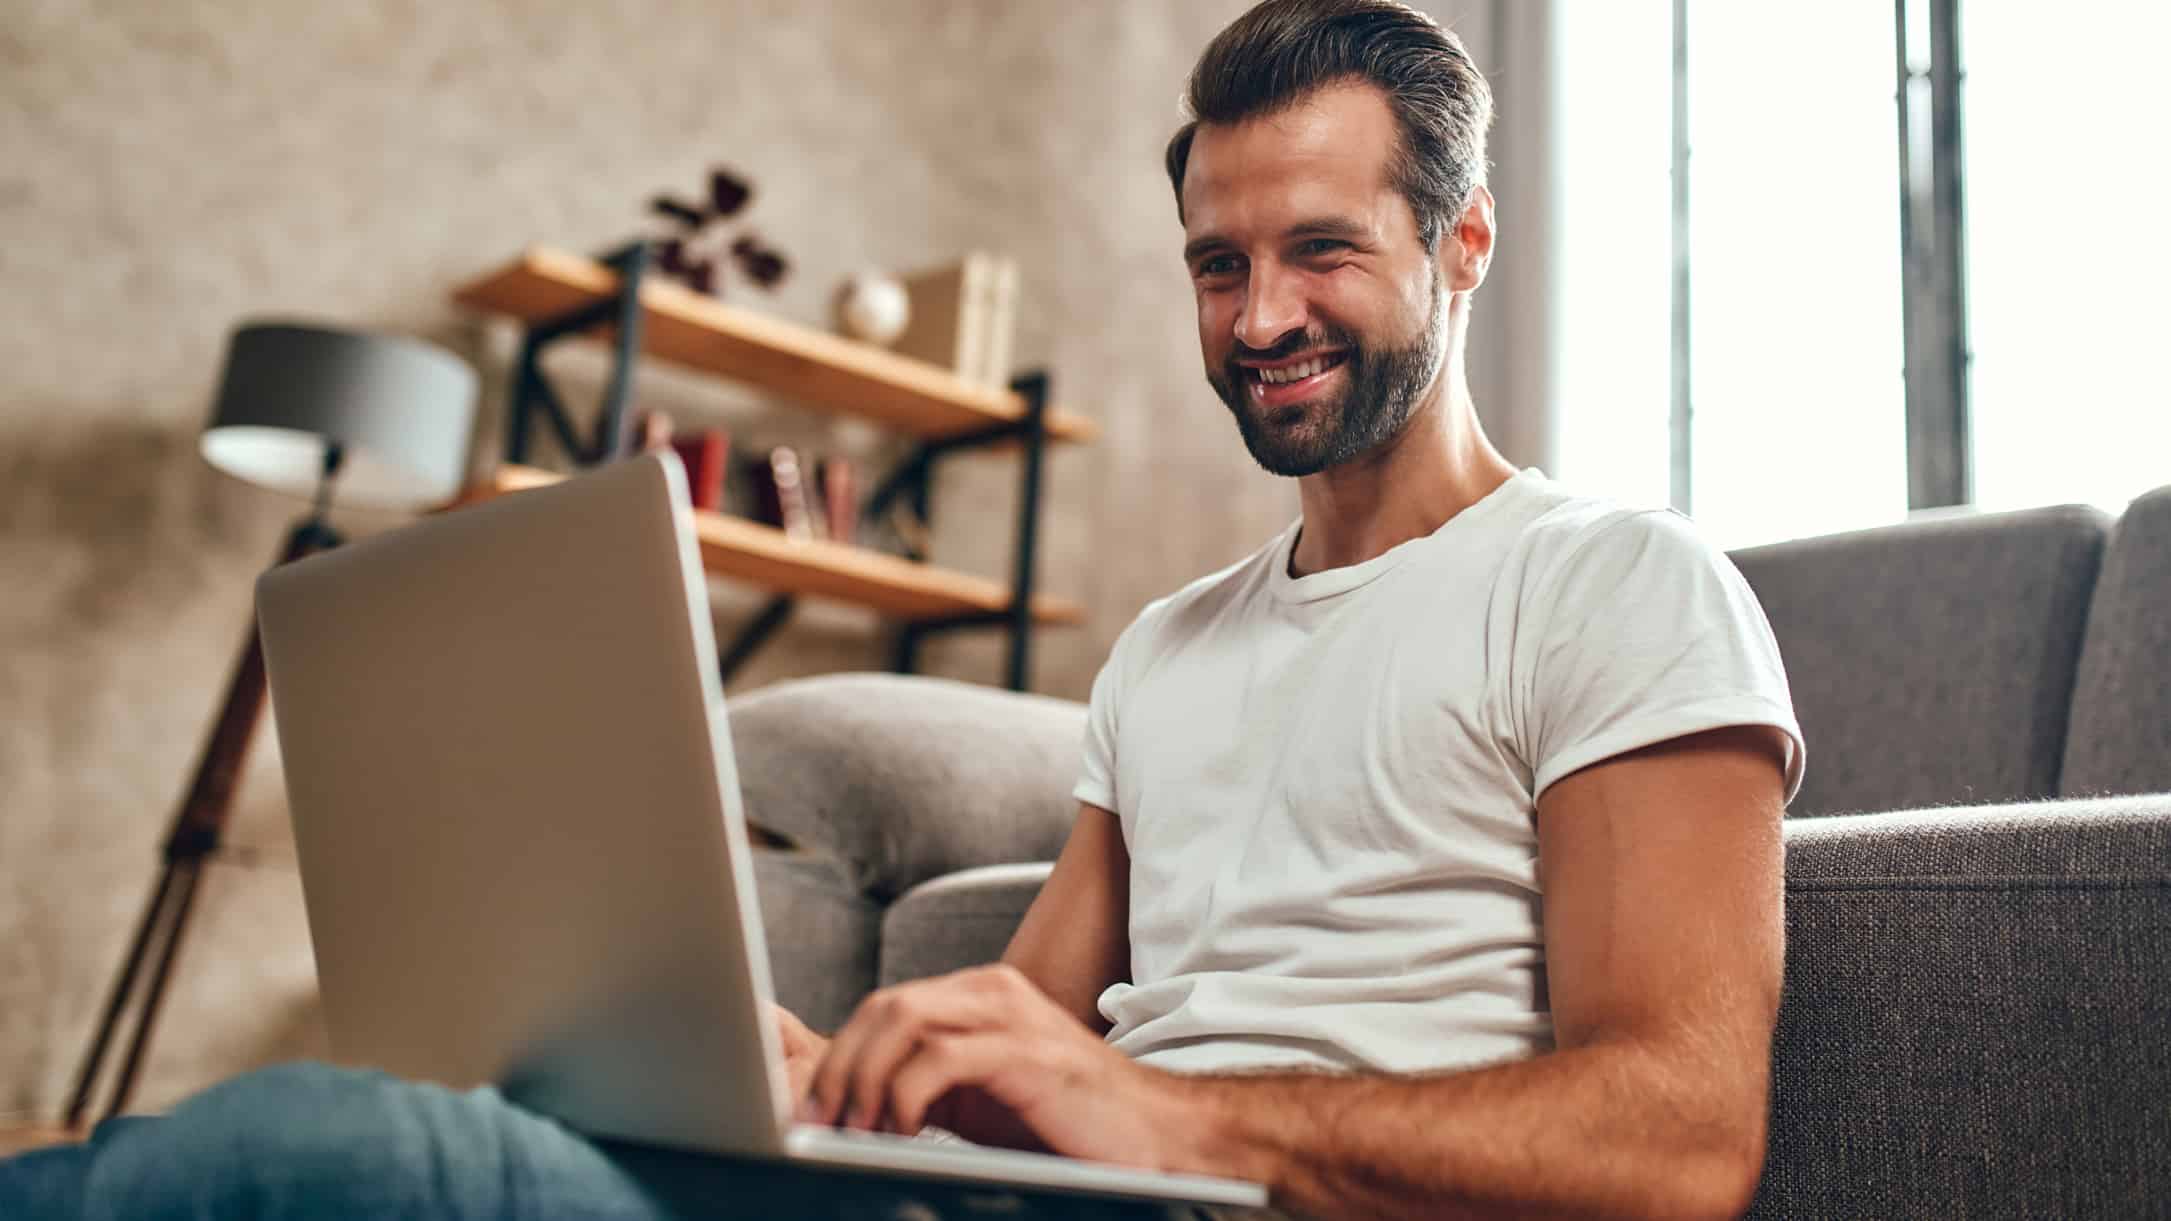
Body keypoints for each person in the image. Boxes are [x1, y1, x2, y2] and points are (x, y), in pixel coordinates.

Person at [2, 1, 1802, 1217]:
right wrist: (828, 1069)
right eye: (1219, 263)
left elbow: (1682, 1138)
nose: (1260, 319)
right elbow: (1024, 1032)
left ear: (1464, 242)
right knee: (294, 1145)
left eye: (1324, 249)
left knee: (326, 1162)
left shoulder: (1616, 586)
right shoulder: (1167, 652)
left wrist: (1173, 1115)